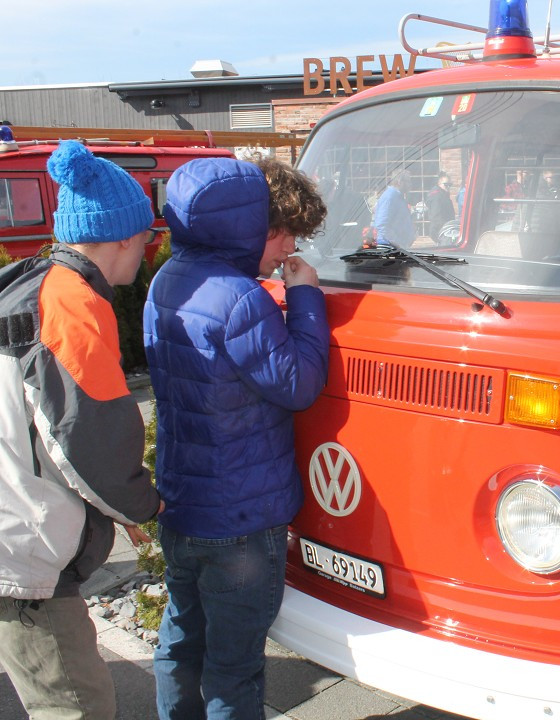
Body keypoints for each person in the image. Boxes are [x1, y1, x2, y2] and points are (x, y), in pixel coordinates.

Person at [144, 155, 330, 719]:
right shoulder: (243, 298)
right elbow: (297, 384)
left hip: (183, 506)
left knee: (181, 644)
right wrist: (306, 299)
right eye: (286, 235)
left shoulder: (167, 278)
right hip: (242, 522)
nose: (288, 249)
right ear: (255, 227)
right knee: (234, 667)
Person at [0, 140, 162, 719]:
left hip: (13, 530)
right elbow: (87, 438)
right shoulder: (74, 307)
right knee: (76, 705)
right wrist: (145, 504)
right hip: (20, 553)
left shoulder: (30, 285)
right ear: (121, 236)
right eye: (147, 239)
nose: (149, 251)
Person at [372, 169, 415, 246]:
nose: (410, 184)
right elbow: (382, 225)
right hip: (390, 248)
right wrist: (397, 243)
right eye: (408, 181)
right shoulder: (390, 197)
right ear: (399, 182)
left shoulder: (398, 197)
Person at [426, 171, 456, 239]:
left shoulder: (444, 195)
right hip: (440, 231)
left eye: (450, 185)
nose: (448, 187)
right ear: (439, 184)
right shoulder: (437, 197)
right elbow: (436, 217)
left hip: (445, 231)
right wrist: (446, 228)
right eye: (446, 184)